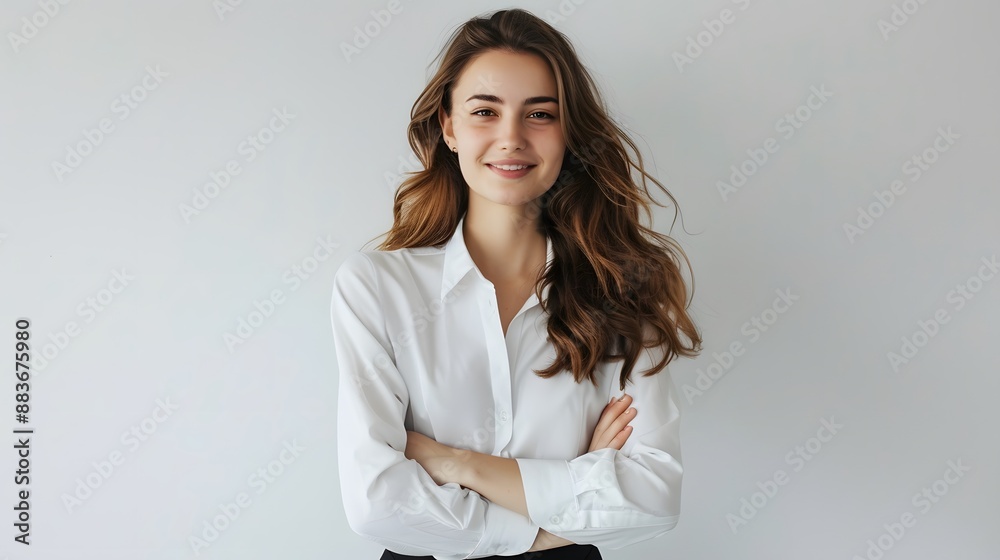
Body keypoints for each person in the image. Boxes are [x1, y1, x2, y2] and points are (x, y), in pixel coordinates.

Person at [330, 8, 702, 560]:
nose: (511, 138)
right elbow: (377, 503)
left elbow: (652, 499)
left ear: (568, 132)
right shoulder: (377, 287)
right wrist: (571, 500)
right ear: (449, 127)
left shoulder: (624, 290)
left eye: (540, 114)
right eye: (485, 111)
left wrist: (456, 464)